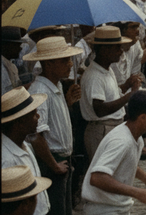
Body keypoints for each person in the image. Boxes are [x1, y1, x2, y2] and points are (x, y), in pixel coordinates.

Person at [25, 37, 82, 215]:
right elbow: (35, 136)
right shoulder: (40, 91)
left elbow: (53, 123)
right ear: (49, 64)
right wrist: (54, 165)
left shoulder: (54, 85)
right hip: (52, 161)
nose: (70, 64)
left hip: (61, 159)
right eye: (64, 60)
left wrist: (68, 102)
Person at [81, 91, 146, 214]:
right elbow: (97, 177)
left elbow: (127, 163)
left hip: (117, 208)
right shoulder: (122, 141)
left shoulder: (136, 137)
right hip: (104, 210)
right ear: (142, 118)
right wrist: (137, 192)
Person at [79, 26, 139, 160]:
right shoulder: (94, 76)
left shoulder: (107, 70)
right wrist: (130, 95)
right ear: (105, 50)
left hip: (111, 127)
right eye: (117, 48)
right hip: (102, 130)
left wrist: (127, 85)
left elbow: (113, 95)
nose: (120, 51)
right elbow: (100, 109)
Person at [1, 87, 51, 215]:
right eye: (33, 114)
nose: (38, 116)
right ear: (20, 122)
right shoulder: (6, 159)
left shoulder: (24, 144)